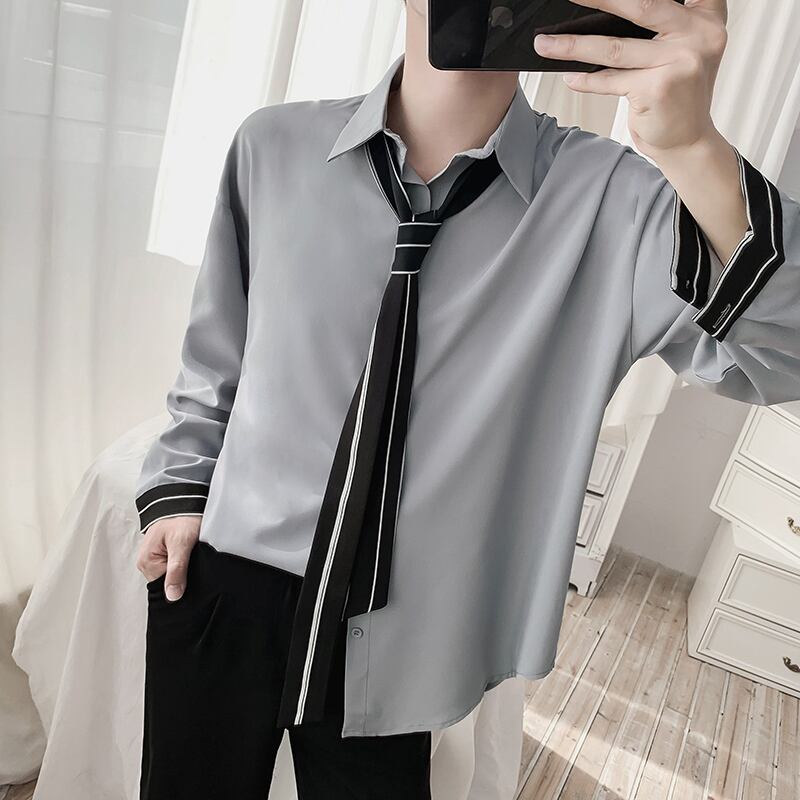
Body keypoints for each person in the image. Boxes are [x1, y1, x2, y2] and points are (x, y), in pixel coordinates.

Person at [134, 0, 800, 798]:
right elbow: (216, 358)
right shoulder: (273, 146)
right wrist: (179, 492)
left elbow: (785, 356)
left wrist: (694, 149)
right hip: (224, 578)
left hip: (406, 632)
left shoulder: (617, 205)